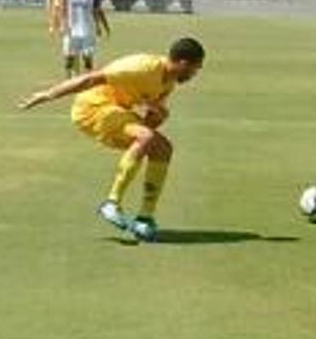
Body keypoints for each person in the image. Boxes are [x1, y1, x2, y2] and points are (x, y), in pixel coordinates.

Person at [17, 37, 207, 243]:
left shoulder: (167, 83)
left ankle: (145, 218)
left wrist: (157, 117)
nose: (194, 75)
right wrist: (48, 94)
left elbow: (149, 123)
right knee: (147, 137)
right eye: (195, 69)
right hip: (93, 108)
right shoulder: (141, 68)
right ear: (183, 63)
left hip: (115, 112)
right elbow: (90, 79)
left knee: (163, 148)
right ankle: (111, 204)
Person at [56, 0, 111, 76]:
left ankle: (87, 80)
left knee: (87, 56)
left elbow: (97, 10)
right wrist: (63, 24)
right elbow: (62, 9)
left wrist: (102, 26)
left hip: (87, 29)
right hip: (71, 29)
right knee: (69, 57)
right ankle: (69, 80)